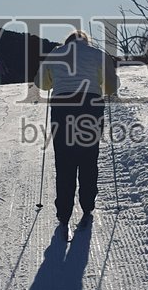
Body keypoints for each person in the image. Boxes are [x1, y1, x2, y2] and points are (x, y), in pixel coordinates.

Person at [38, 29, 117, 232]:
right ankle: (87, 205)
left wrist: (57, 80)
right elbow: (111, 86)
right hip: (90, 105)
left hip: (62, 106)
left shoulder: (56, 53)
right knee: (88, 158)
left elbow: (42, 83)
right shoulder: (98, 54)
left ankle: (64, 213)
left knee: (64, 161)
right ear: (86, 42)